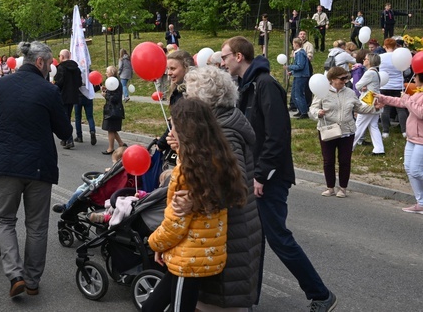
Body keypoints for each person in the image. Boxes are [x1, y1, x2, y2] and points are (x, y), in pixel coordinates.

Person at [220, 36, 338, 312]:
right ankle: (249, 298)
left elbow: (277, 136)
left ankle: (321, 294)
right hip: (255, 175)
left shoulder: (265, 86)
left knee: (278, 238)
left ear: (238, 56)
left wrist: (261, 175)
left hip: (269, 178)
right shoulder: (246, 85)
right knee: (254, 240)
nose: (221, 61)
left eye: (224, 56)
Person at [0, 41, 73, 298]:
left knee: (5, 220)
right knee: (38, 226)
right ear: (40, 62)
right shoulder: (49, 91)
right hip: (40, 168)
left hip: (7, 166)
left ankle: (14, 274)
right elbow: (65, 132)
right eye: (50, 64)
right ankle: (31, 281)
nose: (51, 68)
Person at [142, 98, 247, 312]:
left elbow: (175, 224)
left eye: (174, 127)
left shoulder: (186, 172)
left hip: (188, 260)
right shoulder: (217, 160)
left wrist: (156, 244)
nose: (169, 133)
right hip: (200, 253)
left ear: (187, 131)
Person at [179, 66, 262, 311]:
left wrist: (193, 202)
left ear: (205, 101)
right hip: (235, 229)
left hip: (230, 232)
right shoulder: (225, 121)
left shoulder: (224, 131)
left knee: (220, 304)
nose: (187, 101)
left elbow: (229, 186)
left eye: (190, 96)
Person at [308, 67, 376, 197]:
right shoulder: (322, 92)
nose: (345, 81)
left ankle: (343, 188)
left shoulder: (350, 92)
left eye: (347, 78)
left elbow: (360, 107)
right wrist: (318, 113)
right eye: (342, 78)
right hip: (328, 130)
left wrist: (374, 107)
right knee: (328, 160)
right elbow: (312, 109)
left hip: (347, 131)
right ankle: (330, 187)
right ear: (332, 79)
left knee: (345, 161)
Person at [374, 71, 423, 214]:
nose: (414, 79)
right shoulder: (417, 93)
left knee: (416, 170)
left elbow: (420, 112)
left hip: (421, 140)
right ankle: (420, 202)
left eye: (416, 76)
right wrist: (382, 97)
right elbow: (400, 102)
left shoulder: (414, 95)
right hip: (412, 137)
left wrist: (407, 99)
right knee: (409, 168)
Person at [51, 146, 126, 214]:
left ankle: (66, 207)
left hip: (99, 192)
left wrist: (108, 172)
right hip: (110, 192)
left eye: (114, 163)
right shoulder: (124, 175)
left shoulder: (115, 173)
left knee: (79, 192)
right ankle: (82, 207)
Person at [352, 53, 384, 154]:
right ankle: (379, 149)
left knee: (359, 125)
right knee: (373, 125)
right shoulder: (375, 72)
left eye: (365, 59)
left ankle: (349, 147)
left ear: (369, 61)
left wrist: (362, 87)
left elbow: (357, 85)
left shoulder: (369, 73)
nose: (363, 60)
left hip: (368, 102)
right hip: (374, 101)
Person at [379, 38, 409, 139]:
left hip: (385, 85)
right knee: (401, 109)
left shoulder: (380, 57)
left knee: (385, 109)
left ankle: (385, 131)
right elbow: (407, 71)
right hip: (398, 86)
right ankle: (404, 131)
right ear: (395, 46)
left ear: (385, 46)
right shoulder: (399, 57)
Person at [54, 49, 82, 149]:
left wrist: (54, 84)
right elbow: (79, 83)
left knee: (64, 118)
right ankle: (65, 139)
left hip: (63, 96)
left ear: (62, 56)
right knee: (67, 117)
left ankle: (69, 139)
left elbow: (59, 82)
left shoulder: (61, 68)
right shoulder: (76, 68)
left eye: (59, 56)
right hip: (72, 96)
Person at [101, 65, 124, 155]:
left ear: (111, 73)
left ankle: (110, 148)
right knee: (113, 129)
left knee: (110, 129)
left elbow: (114, 97)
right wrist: (106, 91)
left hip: (113, 109)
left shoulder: (115, 82)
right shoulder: (113, 82)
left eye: (107, 71)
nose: (106, 73)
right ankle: (121, 143)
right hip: (113, 108)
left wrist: (105, 95)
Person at [286, 38, 310, 119]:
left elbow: (300, 66)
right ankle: (300, 110)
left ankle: (304, 112)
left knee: (298, 94)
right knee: (294, 94)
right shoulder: (298, 53)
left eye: (293, 43)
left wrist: (289, 67)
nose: (292, 45)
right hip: (298, 75)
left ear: (296, 44)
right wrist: (292, 72)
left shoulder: (300, 53)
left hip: (301, 76)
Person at [74, 80, 97, 145]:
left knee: (78, 117)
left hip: (78, 96)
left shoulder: (77, 72)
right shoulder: (89, 72)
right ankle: (92, 130)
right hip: (88, 96)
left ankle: (79, 136)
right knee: (90, 116)